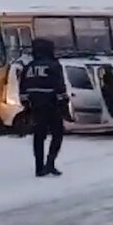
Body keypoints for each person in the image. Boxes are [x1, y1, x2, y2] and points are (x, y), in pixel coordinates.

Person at [18, 38, 69, 177]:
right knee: (57, 134)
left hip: (36, 106)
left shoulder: (28, 66)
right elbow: (59, 87)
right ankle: (50, 163)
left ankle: (39, 167)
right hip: (52, 105)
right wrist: (64, 104)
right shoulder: (53, 65)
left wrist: (27, 106)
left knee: (39, 136)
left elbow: (22, 88)